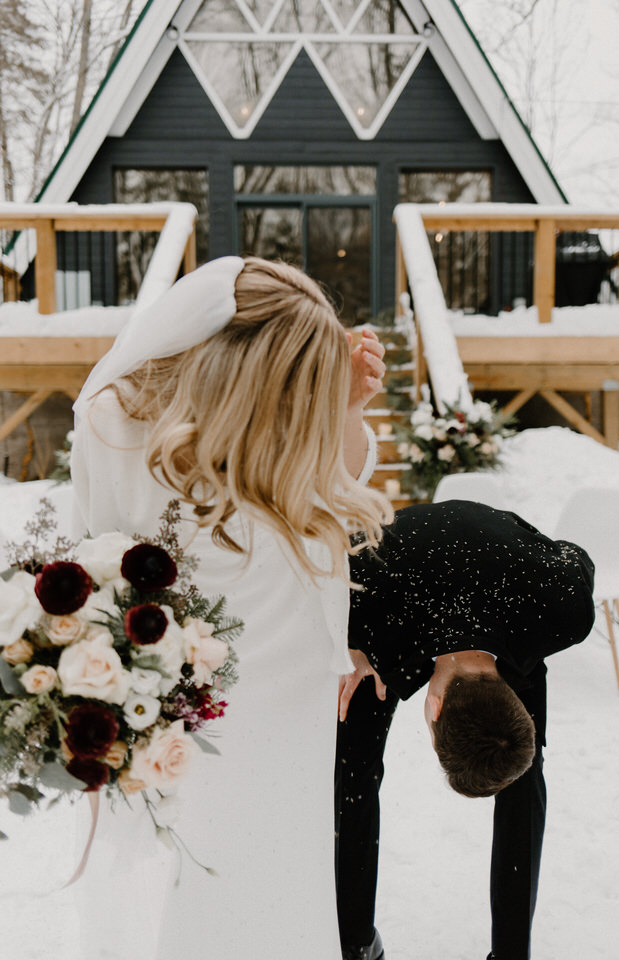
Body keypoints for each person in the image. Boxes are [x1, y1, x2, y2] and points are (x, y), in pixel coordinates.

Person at [70, 256, 393, 960]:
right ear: (248, 374)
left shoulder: (280, 429)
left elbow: (333, 489)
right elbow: (89, 571)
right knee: (193, 883)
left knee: (280, 877)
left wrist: (345, 410)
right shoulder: (112, 424)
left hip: (293, 701)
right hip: (186, 710)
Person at [335, 500, 595, 960]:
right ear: (434, 708)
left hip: (516, 600)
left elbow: (577, 559)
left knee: (522, 769)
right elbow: (329, 570)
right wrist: (346, 641)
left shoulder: (562, 610)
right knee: (351, 765)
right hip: (396, 587)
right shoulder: (368, 606)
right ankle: (355, 940)